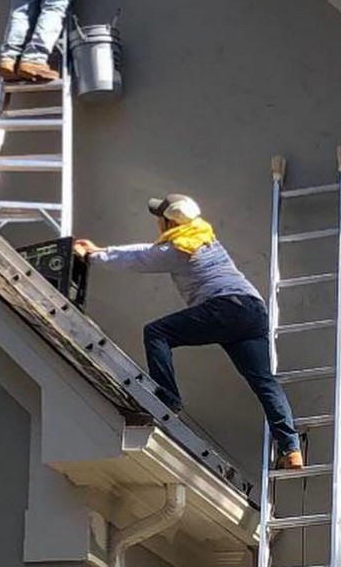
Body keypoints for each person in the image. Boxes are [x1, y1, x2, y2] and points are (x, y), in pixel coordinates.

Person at [75, 193, 304, 470]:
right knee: (264, 382)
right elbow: (150, 251)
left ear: (169, 223)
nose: (157, 223)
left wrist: (93, 256)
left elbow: (142, 259)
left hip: (225, 308)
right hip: (252, 311)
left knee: (156, 333)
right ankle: (291, 449)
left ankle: (168, 399)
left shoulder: (179, 250)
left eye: (160, 218)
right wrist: (100, 250)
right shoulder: (204, 237)